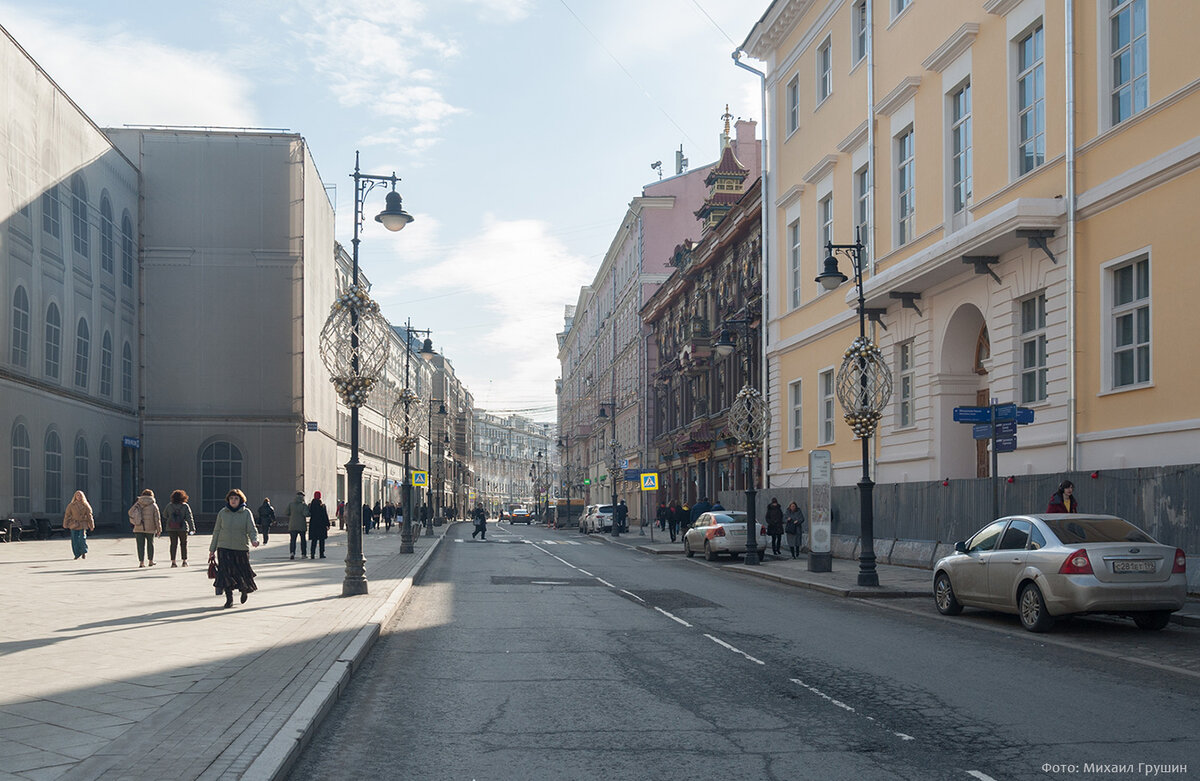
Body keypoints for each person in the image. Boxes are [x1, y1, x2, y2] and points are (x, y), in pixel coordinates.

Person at [209, 488, 260, 608]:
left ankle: (244, 589)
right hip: (224, 547)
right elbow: (216, 531)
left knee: (241, 572)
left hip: (240, 548)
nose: (233, 500)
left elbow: (252, 529)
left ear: (240, 500)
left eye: (236, 498)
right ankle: (229, 599)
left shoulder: (246, 513)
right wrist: (212, 549)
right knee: (225, 573)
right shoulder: (222, 513)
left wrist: (254, 540)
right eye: (231, 498)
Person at [128, 489, 162, 568]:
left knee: (140, 545)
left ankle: (141, 563)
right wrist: (159, 529)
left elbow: (130, 512)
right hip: (151, 528)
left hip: (138, 527)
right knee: (150, 544)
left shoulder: (138, 503)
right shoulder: (154, 505)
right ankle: (150, 561)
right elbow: (157, 518)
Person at [162, 489, 196, 567]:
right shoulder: (185, 506)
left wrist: (171, 517)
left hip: (171, 528)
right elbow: (189, 517)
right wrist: (192, 528)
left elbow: (164, 515)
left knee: (173, 544)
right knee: (183, 544)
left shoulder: (169, 505)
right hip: (183, 528)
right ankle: (184, 561)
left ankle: (173, 562)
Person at [62, 490, 95, 560]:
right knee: (74, 540)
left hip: (82, 524)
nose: (79, 497)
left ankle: (83, 552)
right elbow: (67, 515)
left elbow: (90, 516)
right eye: (77, 495)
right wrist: (65, 524)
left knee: (82, 539)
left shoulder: (86, 505)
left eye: (80, 495)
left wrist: (91, 525)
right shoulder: (71, 505)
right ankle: (77, 554)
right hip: (74, 524)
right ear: (75, 497)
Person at [285, 491, 309, 560]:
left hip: (292, 525)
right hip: (301, 525)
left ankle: (292, 553)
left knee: (293, 540)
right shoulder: (304, 505)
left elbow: (286, 512)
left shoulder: (291, 504)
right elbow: (306, 514)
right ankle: (303, 554)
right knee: (303, 540)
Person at [308, 491, 330, 559]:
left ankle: (312, 554)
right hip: (321, 525)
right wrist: (328, 524)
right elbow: (325, 516)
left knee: (314, 540)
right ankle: (321, 553)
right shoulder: (322, 506)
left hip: (314, 525)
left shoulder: (311, 506)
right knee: (321, 540)